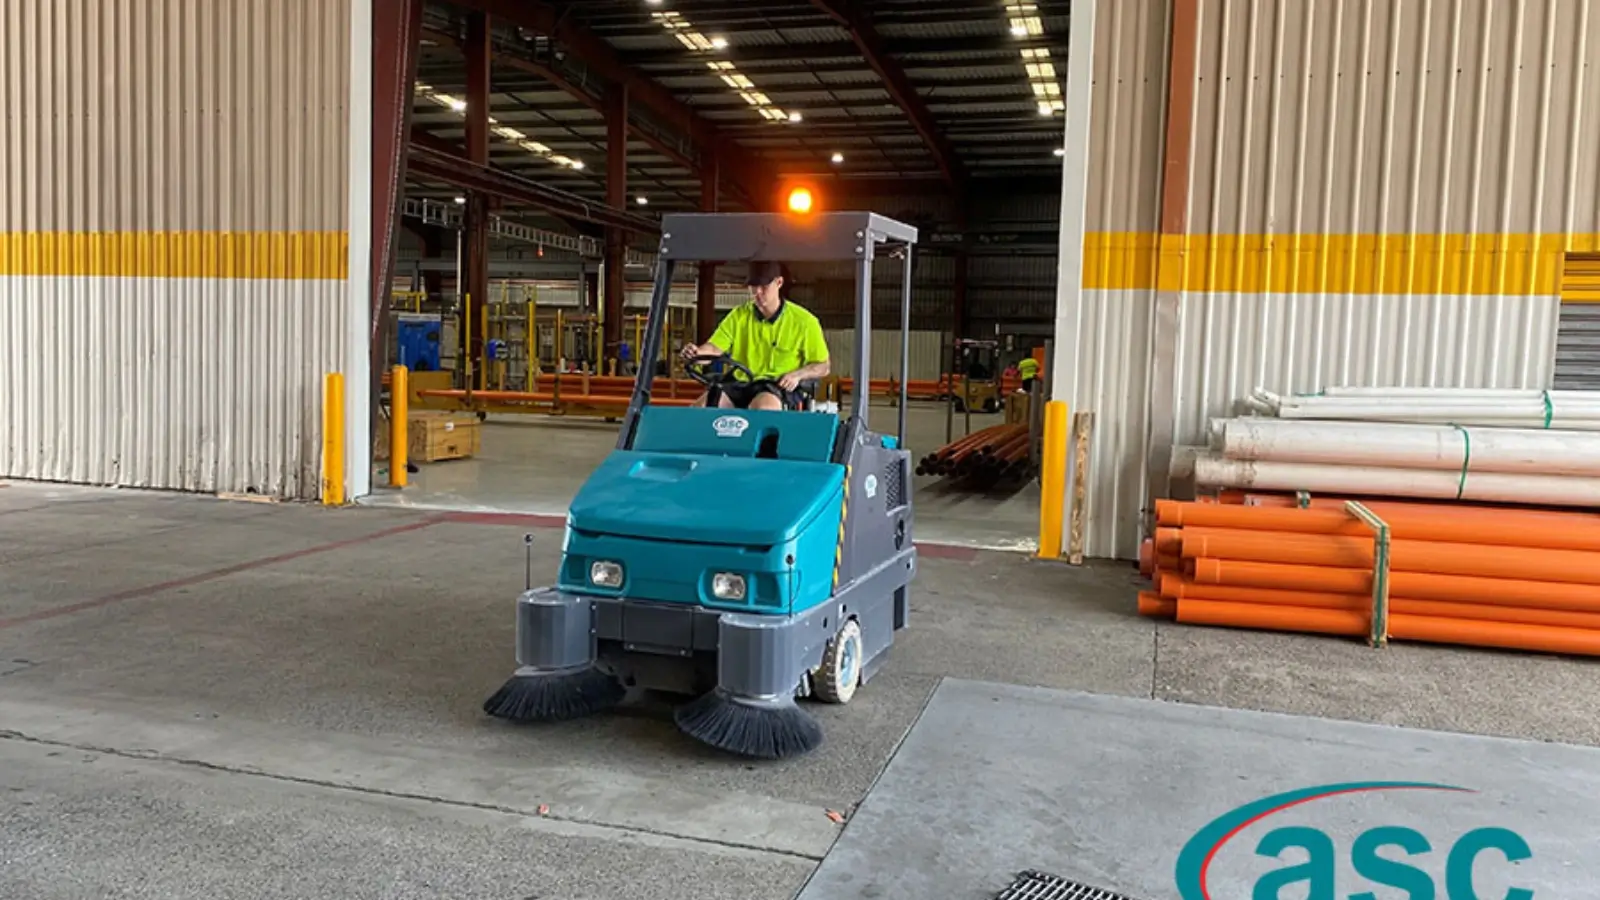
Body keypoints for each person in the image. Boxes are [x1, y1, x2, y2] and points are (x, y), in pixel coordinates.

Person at [679, 260, 831, 410]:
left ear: (779, 282)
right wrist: (697, 353)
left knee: (763, 408)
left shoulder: (804, 322)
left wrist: (797, 375)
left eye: (764, 286)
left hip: (776, 385)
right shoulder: (738, 316)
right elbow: (713, 349)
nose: (757, 292)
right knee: (700, 409)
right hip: (739, 382)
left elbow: (823, 366)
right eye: (753, 286)